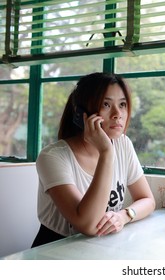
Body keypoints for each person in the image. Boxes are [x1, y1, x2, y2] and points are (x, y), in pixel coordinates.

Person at [31, 72, 155, 247]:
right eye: (106, 104)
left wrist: (124, 215)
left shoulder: (123, 144)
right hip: (56, 251)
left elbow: (148, 200)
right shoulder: (52, 157)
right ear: (82, 113)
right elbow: (88, 225)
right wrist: (106, 152)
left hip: (99, 248)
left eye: (122, 104)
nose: (117, 114)